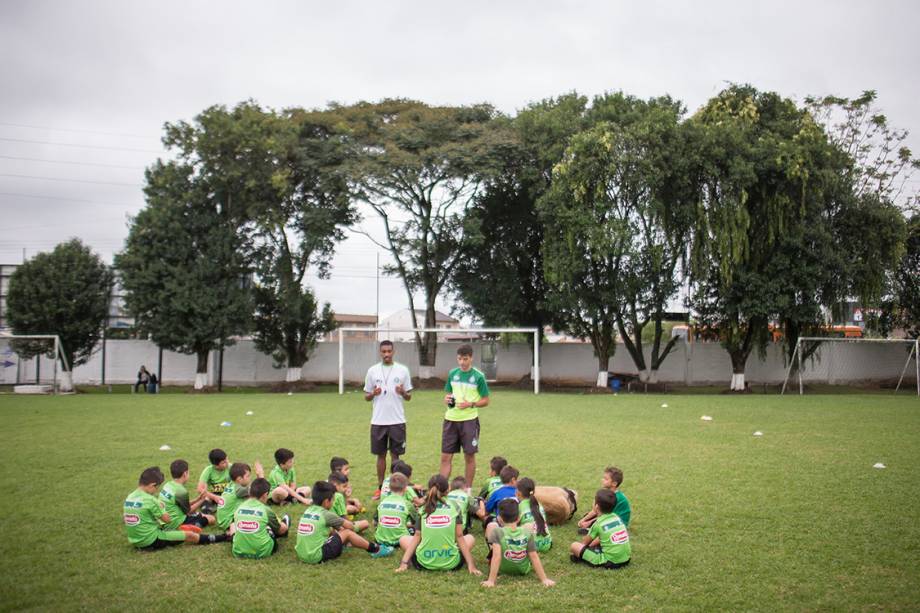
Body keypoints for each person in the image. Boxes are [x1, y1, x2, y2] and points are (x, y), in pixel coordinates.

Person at [123, 466, 228, 550]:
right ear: (152, 485)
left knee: (186, 528)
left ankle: (184, 527)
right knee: (190, 535)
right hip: (151, 540)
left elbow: (127, 518)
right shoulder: (151, 500)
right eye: (157, 487)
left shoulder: (130, 497)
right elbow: (167, 519)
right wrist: (162, 508)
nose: (156, 490)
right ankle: (224, 537)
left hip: (135, 540)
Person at [395, 475, 480, 574]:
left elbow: (417, 536)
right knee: (470, 538)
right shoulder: (455, 506)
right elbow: (460, 536)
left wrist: (404, 562)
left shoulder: (423, 508)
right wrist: (471, 565)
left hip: (423, 563)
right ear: (448, 489)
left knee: (403, 539)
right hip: (452, 564)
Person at [295, 480, 393, 564]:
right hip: (316, 556)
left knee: (331, 530)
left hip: (301, 554)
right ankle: (376, 549)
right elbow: (349, 526)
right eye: (333, 499)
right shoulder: (326, 514)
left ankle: (345, 544)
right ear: (326, 502)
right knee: (347, 533)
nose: (333, 501)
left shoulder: (308, 511)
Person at [364, 340, 413, 500]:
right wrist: (373, 394)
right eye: (383, 351)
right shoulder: (372, 371)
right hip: (378, 421)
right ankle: (380, 487)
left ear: (393, 351)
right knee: (380, 455)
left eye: (389, 351)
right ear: (380, 352)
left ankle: (396, 487)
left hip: (397, 420)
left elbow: (409, 397)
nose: (386, 354)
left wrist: (403, 392)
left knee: (396, 456)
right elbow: (366, 396)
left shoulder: (403, 370)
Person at [440, 344, 490, 487]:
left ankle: (467, 491)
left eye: (465, 359)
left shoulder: (479, 377)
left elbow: (486, 401)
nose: (462, 362)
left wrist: (471, 404)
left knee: (469, 457)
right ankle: (441, 490)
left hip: (469, 421)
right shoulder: (452, 374)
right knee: (445, 457)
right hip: (450, 420)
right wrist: (447, 399)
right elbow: (448, 394)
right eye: (459, 359)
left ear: (471, 358)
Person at [481, 499, 555, 588]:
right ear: (519, 518)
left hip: (502, 569)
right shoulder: (527, 532)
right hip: (523, 570)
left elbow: (496, 557)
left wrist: (491, 581)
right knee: (527, 527)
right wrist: (544, 579)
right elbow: (534, 556)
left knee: (491, 527)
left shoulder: (497, 532)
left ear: (499, 518)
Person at [569, 489, 631, 569]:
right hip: (626, 558)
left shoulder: (598, 524)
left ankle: (584, 558)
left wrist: (583, 550)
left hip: (610, 562)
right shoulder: (617, 517)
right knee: (600, 542)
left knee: (574, 546)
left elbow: (585, 543)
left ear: (596, 506)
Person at [231, 478, 289, 559]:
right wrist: (285, 525)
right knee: (274, 528)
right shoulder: (266, 510)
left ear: (249, 492)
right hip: (262, 552)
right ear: (265, 495)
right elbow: (281, 530)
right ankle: (285, 520)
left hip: (238, 552)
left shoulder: (239, 507)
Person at [159, 459, 214, 532]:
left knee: (200, 514)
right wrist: (202, 500)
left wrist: (197, 499)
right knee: (211, 519)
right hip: (176, 522)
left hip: (164, 520)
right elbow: (189, 511)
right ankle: (183, 528)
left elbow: (180, 504)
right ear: (185, 473)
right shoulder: (181, 491)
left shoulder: (167, 485)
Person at [577, 466, 630, 534]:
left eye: (606, 479)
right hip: (607, 515)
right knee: (587, 516)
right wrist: (583, 520)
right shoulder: (606, 493)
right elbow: (596, 510)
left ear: (614, 483)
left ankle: (591, 529)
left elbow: (607, 516)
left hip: (618, 523)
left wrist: (588, 522)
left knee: (586, 527)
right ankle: (591, 526)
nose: (602, 480)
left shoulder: (616, 498)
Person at [373, 472, 418, 552]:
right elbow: (416, 522)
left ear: (389, 487)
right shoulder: (407, 504)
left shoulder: (382, 502)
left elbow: (374, 523)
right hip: (399, 541)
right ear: (405, 488)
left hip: (380, 540)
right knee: (414, 530)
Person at [216, 461, 264, 531]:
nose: (250, 478)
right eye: (248, 476)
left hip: (223, 520)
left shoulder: (232, 484)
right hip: (229, 522)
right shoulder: (239, 490)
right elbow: (260, 490)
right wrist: (261, 475)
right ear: (239, 479)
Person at [516, 477, 552, 552]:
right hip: (547, 544)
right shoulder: (538, 505)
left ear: (518, 493)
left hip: (531, 547)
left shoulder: (519, 507)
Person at [197, 448, 231, 514]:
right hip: (213, 495)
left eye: (227, 459)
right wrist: (214, 497)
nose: (227, 462)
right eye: (223, 462)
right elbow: (200, 489)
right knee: (205, 505)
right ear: (215, 465)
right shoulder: (208, 470)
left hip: (228, 494)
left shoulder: (231, 468)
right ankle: (210, 508)